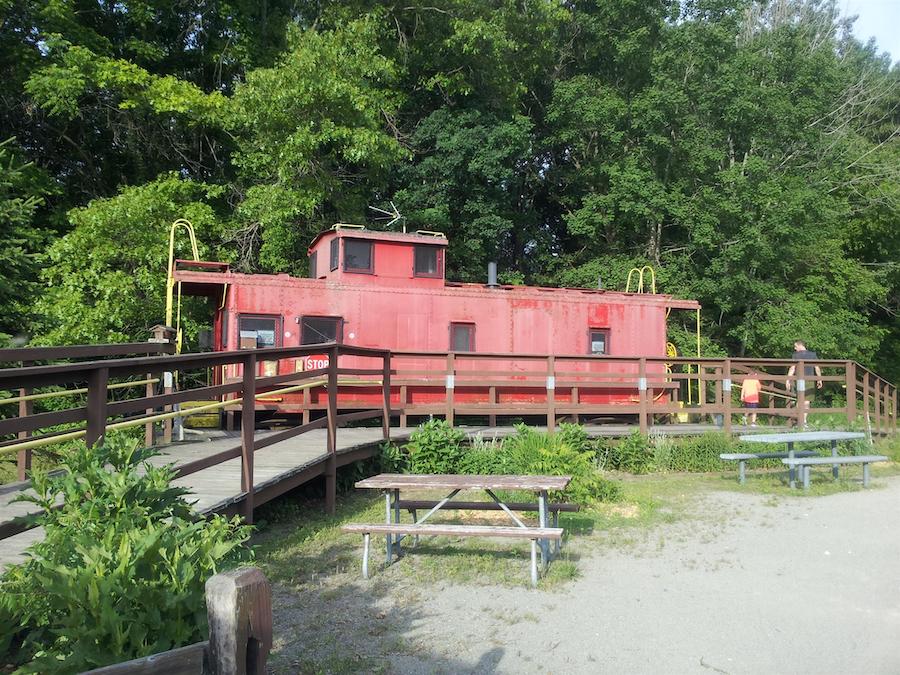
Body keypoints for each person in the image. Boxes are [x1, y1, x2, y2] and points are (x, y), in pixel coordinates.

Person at [787, 340, 822, 428]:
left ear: (800, 345)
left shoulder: (795, 355)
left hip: (799, 380)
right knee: (807, 401)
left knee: (800, 400)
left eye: (795, 346)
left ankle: (799, 421)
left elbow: (792, 368)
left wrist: (788, 379)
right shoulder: (813, 355)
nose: (795, 348)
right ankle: (804, 421)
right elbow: (817, 368)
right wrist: (819, 379)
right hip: (809, 379)